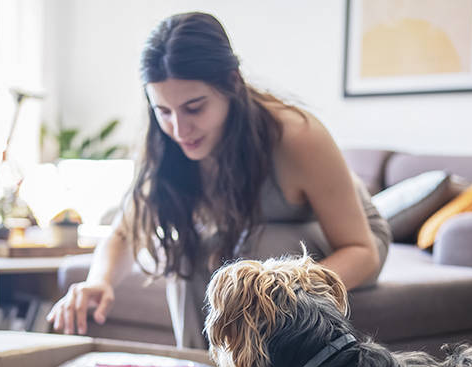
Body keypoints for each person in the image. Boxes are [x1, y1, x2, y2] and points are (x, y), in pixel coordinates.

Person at [46, 11, 391, 349]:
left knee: (245, 257)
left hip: (348, 240)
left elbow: (362, 251)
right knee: (189, 251)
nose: (180, 130)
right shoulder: (165, 143)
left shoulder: (297, 135)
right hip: (243, 234)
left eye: (194, 108)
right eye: (163, 111)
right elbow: (126, 229)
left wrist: (279, 288)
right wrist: (99, 282)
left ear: (232, 84)